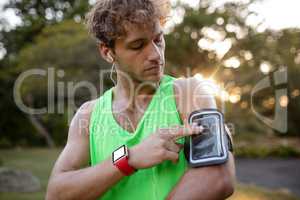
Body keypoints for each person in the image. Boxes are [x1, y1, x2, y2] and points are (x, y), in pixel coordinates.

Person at [46, 0, 236, 199]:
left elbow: (218, 176)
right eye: (137, 46)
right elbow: (56, 193)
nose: (155, 54)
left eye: (158, 39)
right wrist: (130, 158)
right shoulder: (88, 114)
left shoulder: (188, 93)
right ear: (107, 52)